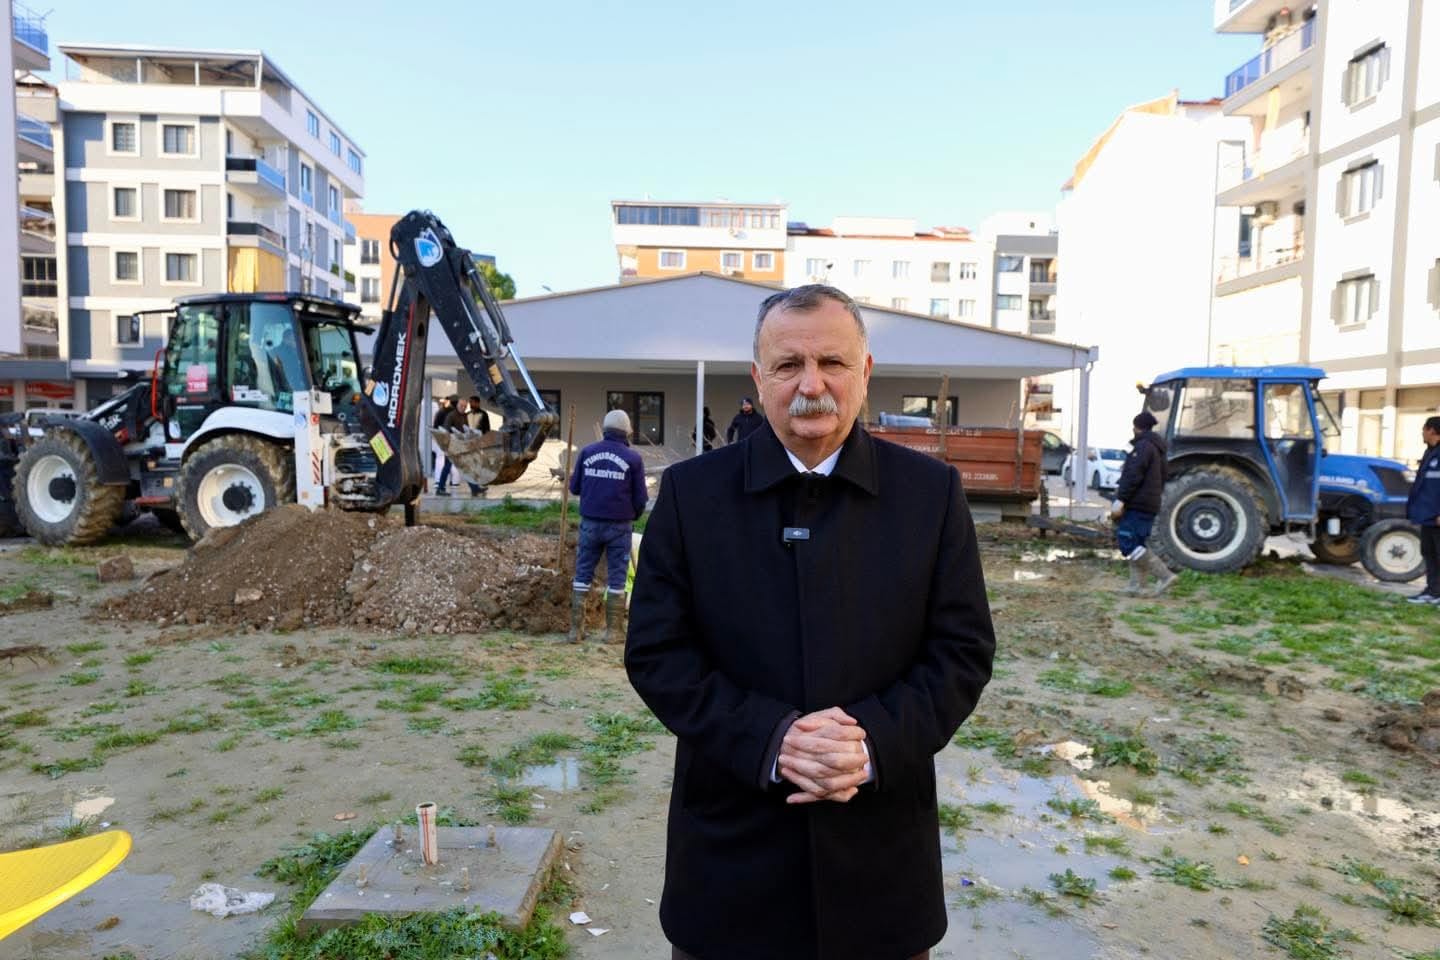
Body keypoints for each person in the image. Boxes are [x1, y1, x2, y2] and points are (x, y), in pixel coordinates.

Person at [625, 284, 995, 960]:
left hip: (881, 861)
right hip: (730, 863)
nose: (812, 385)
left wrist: (870, 742)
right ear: (758, 378)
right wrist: (771, 739)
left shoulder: (930, 494)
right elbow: (658, 653)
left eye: (832, 362)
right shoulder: (691, 495)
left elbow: (961, 652)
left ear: (866, 372)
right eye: (789, 365)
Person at [568, 408, 648, 643]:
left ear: (605, 429)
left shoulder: (587, 452)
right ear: (627, 431)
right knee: (617, 577)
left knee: (583, 573)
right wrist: (633, 515)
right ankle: (613, 632)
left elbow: (574, 488)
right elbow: (640, 499)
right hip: (619, 527)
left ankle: (575, 631)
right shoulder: (633, 459)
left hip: (590, 524)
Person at [1112, 410, 1177, 596]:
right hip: (1150, 504)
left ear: (1137, 427)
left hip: (1137, 504)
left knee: (1127, 542)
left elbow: (1133, 476)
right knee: (1138, 542)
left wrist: (1121, 499)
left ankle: (1165, 576)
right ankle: (1137, 586)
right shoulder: (1158, 449)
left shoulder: (1142, 447)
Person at [1405, 416, 1440, 604]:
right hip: (1428, 516)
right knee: (1429, 553)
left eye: (1423, 429)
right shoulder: (1430, 452)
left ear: (1431, 430)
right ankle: (1432, 592)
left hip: (1437, 516)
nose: (1422, 433)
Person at [434, 395, 467, 496]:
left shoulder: (462, 415)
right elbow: (446, 429)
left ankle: (475, 488)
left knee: (462, 466)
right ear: (457, 404)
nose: (463, 408)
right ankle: (440, 488)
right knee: (449, 466)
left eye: (465, 406)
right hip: (451, 444)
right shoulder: (450, 415)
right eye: (461, 406)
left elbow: (465, 428)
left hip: (457, 444)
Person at [465, 395, 492, 497]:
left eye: (472, 402)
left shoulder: (484, 414)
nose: (471, 404)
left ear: (478, 403)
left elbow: (487, 429)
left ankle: (478, 486)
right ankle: (475, 487)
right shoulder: (467, 415)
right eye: (470, 402)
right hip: (469, 443)